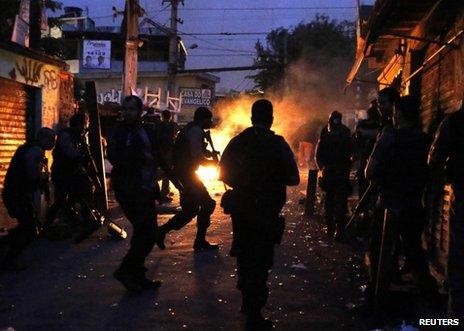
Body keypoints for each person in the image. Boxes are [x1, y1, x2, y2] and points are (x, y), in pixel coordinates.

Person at [219, 99, 299, 329]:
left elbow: (223, 173)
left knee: (244, 254)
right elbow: (293, 178)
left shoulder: (238, 142)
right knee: (261, 260)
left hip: (242, 209)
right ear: (271, 119)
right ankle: (254, 313)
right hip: (266, 211)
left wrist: (244, 182)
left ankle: (247, 299)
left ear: (252, 118)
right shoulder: (278, 144)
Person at [365, 95, 439, 304]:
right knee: (414, 250)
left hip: (388, 203)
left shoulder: (389, 136)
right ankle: (429, 296)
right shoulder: (426, 140)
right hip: (414, 204)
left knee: (380, 248)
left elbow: (369, 172)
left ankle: (377, 295)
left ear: (398, 114)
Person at [108, 95, 180, 292]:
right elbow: (115, 158)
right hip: (130, 190)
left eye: (132, 109)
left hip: (146, 189)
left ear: (140, 111)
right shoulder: (120, 131)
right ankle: (126, 270)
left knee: (144, 233)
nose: (128, 113)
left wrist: (176, 184)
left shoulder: (147, 130)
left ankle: (137, 275)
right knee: (146, 234)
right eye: (126, 109)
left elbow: (158, 158)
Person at [157, 107, 218, 251]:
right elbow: (196, 156)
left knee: (190, 210)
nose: (210, 122)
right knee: (207, 204)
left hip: (186, 174)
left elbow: (197, 151)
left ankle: (161, 232)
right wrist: (212, 162)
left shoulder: (192, 130)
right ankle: (199, 241)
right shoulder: (195, 132)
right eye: (209, 119)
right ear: (203, 119)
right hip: (187, 175)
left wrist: (209, 153)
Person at [1, 128, 56, 270]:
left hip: (16, 193)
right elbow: (33, 174)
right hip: (18, 194)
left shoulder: (29, 149)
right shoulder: (35, 151)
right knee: (30, 228)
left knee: (28, 225)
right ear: (42, 138)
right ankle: (8, 257)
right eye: (51, 140)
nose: (52, 144)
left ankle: (7, 249)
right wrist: (42, 177)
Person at [428, 106, 464, 318]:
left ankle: (454, 319)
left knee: (459, 257)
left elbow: (434, 158)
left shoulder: (455, 122)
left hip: (462, 194)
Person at [47, 112, 99, 243]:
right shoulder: (66, 136)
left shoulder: (79, 136)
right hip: (62, 173)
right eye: (85, 125)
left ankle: (84, 221)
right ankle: (47, 225)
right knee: (61, 200)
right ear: (79, 124)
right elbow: (72, 155)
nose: (85, 128)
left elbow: (85, 157)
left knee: (83, 192)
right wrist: (82, 157)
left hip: (72, 172)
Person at [315, 111, 353, 240]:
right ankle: (336, 228)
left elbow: (318, 154)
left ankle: (333, 228)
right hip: (337, 171)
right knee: (335, 201)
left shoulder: (327, 132)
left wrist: (323, 168)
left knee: (332, 201)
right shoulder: (337, 131)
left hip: (334, 171)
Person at [353, 103, 381, 196]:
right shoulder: (382, 125)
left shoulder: (362, 125)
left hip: (366, 160)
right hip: (374, 161)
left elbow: (355, 141)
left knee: (364, 187)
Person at [156, 109, 179, 202]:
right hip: (169, 152)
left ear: (162, 116)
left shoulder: (158, 125)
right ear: (170, 117)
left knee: (160, 171)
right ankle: (163, 193)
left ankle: (159, 191)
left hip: (159, 151)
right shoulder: (173, 125)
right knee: (166, 173)